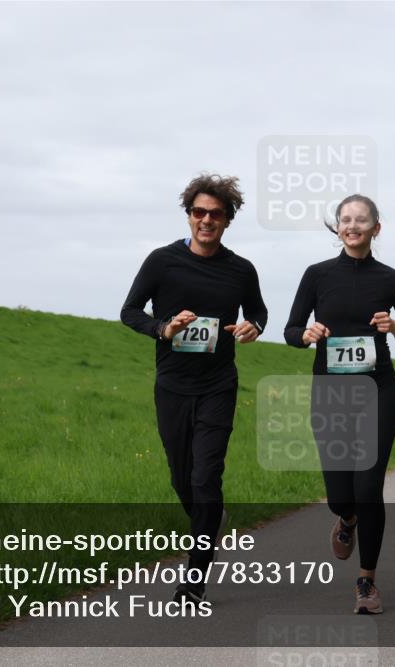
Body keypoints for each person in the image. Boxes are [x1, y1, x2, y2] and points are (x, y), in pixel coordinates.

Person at [121, 174, 268, 605]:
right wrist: (162, 328)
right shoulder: (161, 262)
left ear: (227, 220)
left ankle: (193, 580)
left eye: (215, 214)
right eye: (199, 212)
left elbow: (258, 311)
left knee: (207, 475)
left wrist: (252, 327)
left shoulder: (241, 270)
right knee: (182, 479)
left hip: (218, 384)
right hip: (172, 385)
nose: (206, 220)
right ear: (189, 215)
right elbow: (129, 311)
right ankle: (209, 519)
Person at [284, 194, 395, 615]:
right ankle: (345, 519)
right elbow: (291, 329)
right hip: (330, 393)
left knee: (368, 488)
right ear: (337, 228)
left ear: (375, 229)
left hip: (378, 392)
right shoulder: (316, 275)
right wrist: (306, 335)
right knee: (340, 496)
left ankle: (367, 581)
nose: (352, 226)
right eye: (345, 220)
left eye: (361, 220)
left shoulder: (392, 279)